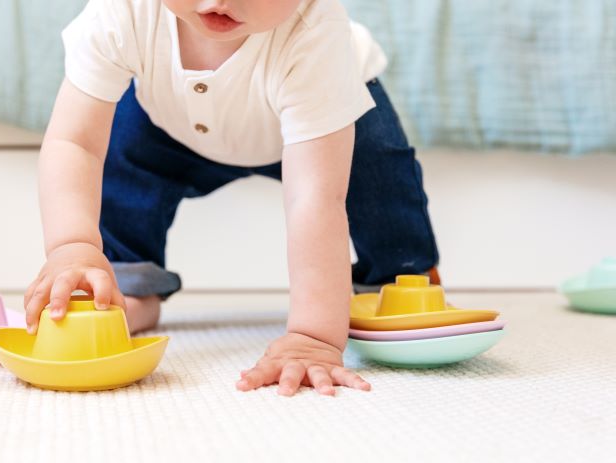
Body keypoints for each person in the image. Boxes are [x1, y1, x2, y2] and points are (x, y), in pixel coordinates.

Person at [24, 0, 440, 396]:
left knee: (379, 182)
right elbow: (75, 142)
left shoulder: (315, 34)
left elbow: (315, 197)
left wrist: (314, 337)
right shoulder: (126, 11)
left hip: (323, 127)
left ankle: (399, 279)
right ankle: (126, 282)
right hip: (173, 124)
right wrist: (72, 246)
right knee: (124, 157)